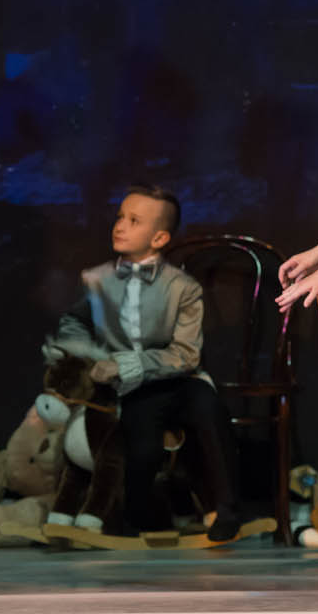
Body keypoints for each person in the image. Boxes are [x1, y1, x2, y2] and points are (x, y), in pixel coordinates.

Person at [42, 186, 248, 543]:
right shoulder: (97, 279)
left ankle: (226, 508)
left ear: (159, 238)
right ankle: (137, 515)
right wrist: (84, 354)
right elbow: (74, 321)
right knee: (141, 444)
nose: (120, 225)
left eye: (134, 221)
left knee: (207, 408)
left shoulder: (182, 287)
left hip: (179, 378)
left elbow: (186, 354)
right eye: (120, 217)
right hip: (135, 389)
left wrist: (126, 364)